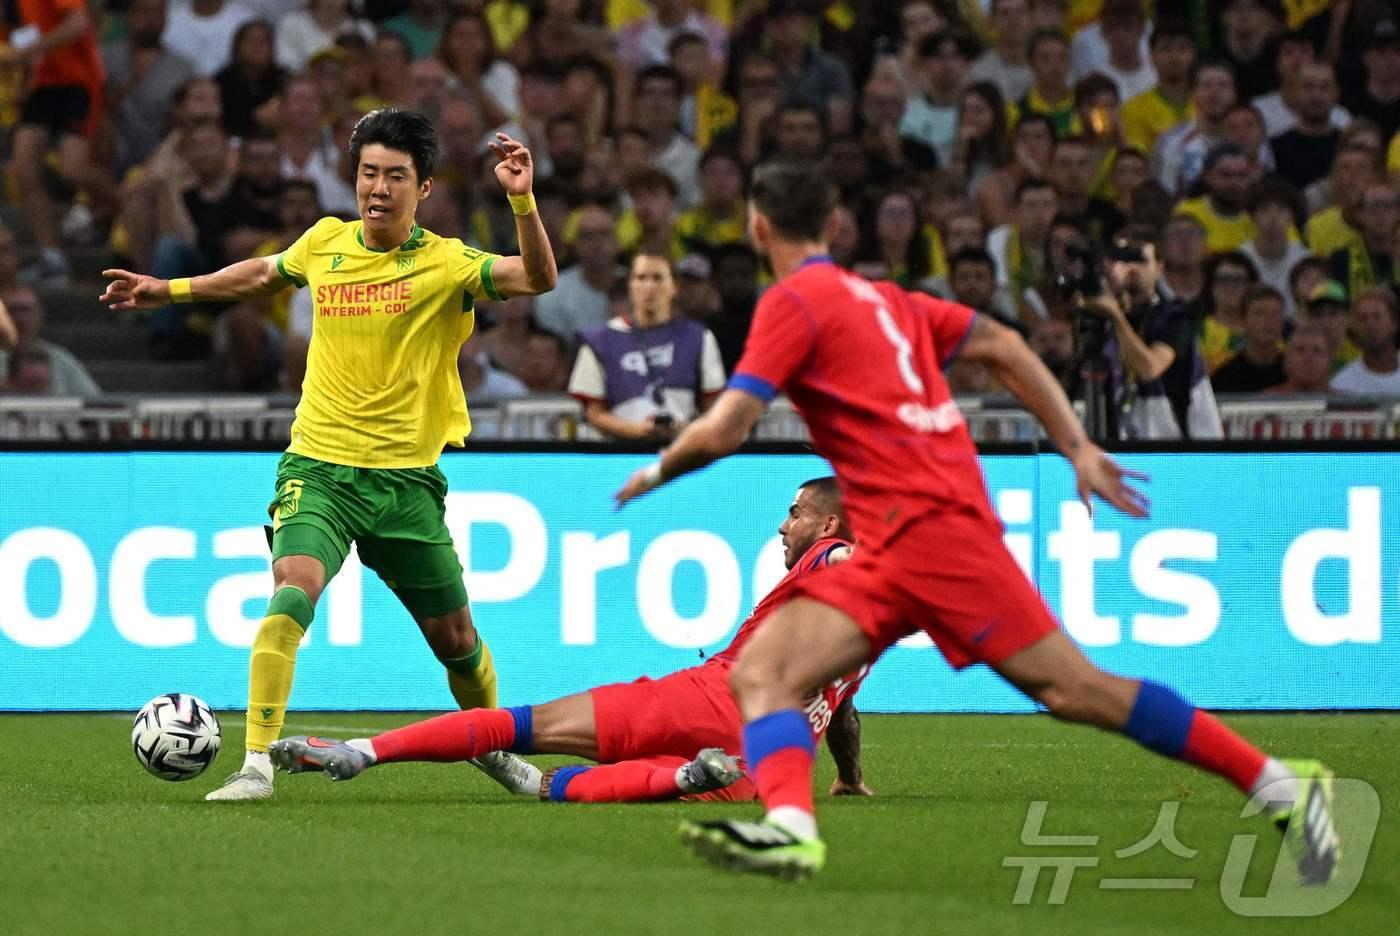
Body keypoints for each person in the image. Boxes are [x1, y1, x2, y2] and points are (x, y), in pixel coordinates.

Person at [613, 160, 1337, 881]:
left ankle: (1279, 782)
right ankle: (791, 827)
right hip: (895, 540)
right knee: (765, 671)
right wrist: (1076, 445)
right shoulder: (889, 299)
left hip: (931, 534)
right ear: (833, 226)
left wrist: (652, 471)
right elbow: (1004, 345)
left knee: (1074, 690)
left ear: (758, 226)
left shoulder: (792, 303)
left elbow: (726, 427)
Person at [100, 112, 559, 802]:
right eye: (368, 172)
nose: (377, 188)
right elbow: (263, 274)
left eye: (395, 176)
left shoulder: (448, 262)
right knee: (292, 592)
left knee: (458, 640)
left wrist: (521, 199)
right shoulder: (325, 242)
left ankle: (488, 743)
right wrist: (168, 290)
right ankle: (256, 764)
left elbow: (539, 279)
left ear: (424, 187)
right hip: (318, 470)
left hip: (406, 484)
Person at [268, 479, 869, 804]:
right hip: (759, 762)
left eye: (794, 513)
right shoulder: (864, 635)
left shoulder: (829, 556)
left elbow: (842, 561)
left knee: (524, 724)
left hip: (707, 697)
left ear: (827, 523)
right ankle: (666, 780)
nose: (784, 526)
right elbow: (841, 710)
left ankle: (365, 751)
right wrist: (849, 776)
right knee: (639, 782)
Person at [569, 253, 726, 441]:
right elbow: (593, 413)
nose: (649, 287)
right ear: (630, 285)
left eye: (658, 278)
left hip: (681, 452)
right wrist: (636, 431)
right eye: (641, 278)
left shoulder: (700, 337)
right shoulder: (599, 340)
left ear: (674, 286)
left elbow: (712, 408)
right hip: (620, 453)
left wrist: (686, 430)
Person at [1211, 284, 1287, 394]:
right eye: (1259, 313)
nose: (1268, 321)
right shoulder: (1224, 377)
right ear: (1243, 321)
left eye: (1275, 314)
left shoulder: (1295, 372)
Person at [1331, 287, 1400, 396]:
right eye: (1362, 318)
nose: (1370, 324)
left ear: (1394, 323)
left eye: (1377, 316)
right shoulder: (1342, 385)